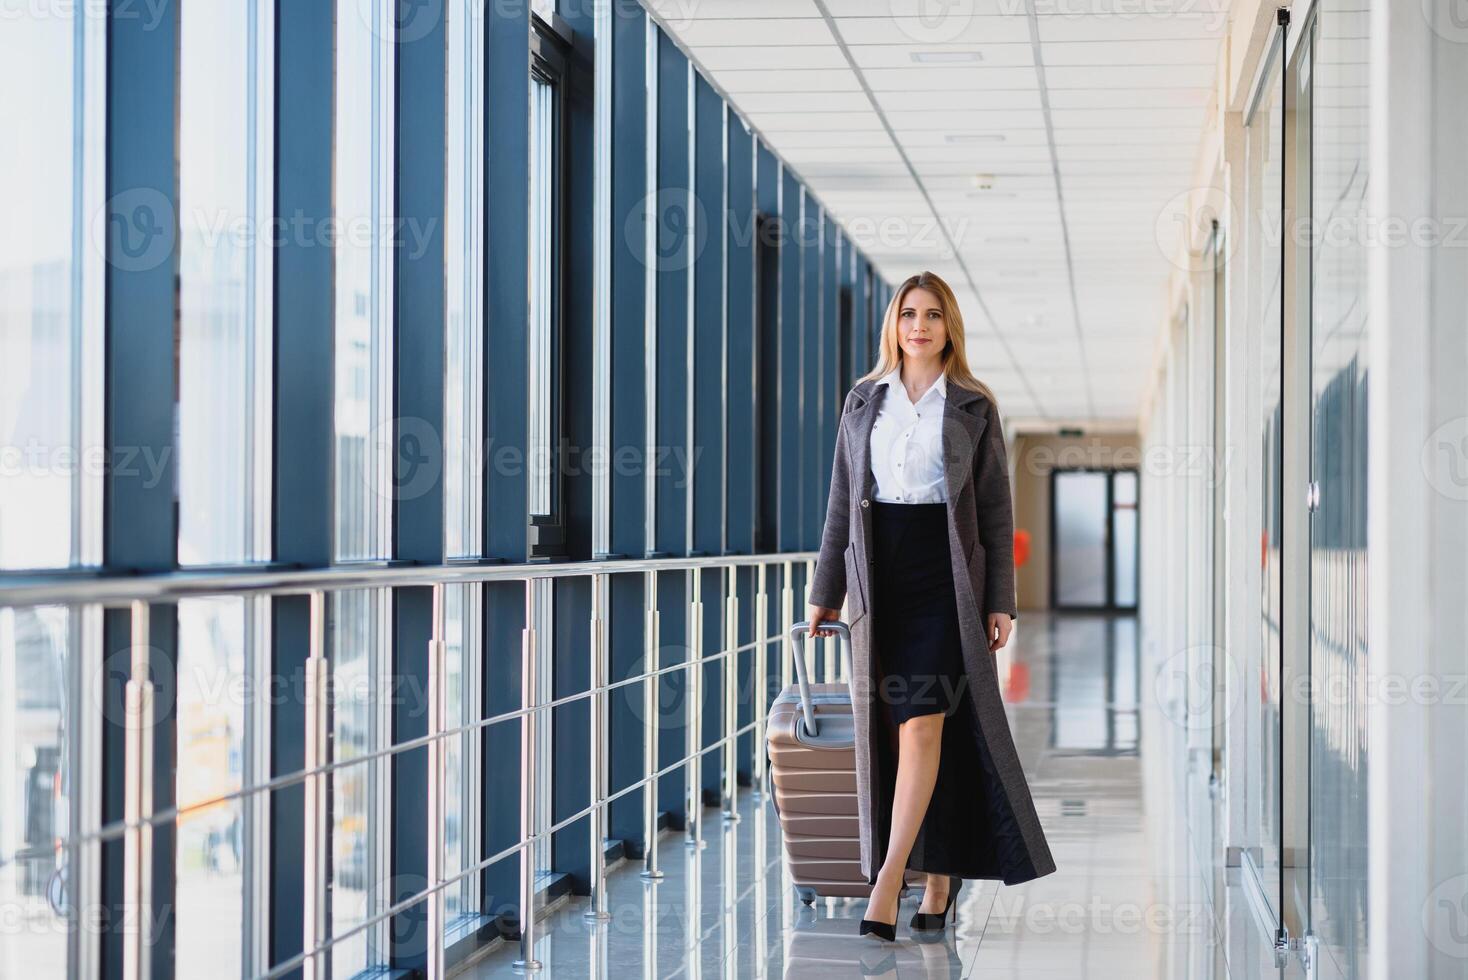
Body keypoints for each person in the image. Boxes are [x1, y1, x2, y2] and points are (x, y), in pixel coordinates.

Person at [806, 270, 1056, 942]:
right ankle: (939, 875)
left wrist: (1000, 598)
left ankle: (888, 880)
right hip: (878, 581)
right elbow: (840, 505)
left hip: (946, 582)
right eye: (909, 314)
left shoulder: (974, 406)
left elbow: (997, 515)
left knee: (922, 725)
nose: (919, 326)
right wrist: (824, 593)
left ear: (951, 328)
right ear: (895, 324)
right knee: (906, 731)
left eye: (933, 315)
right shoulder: (863, 402)